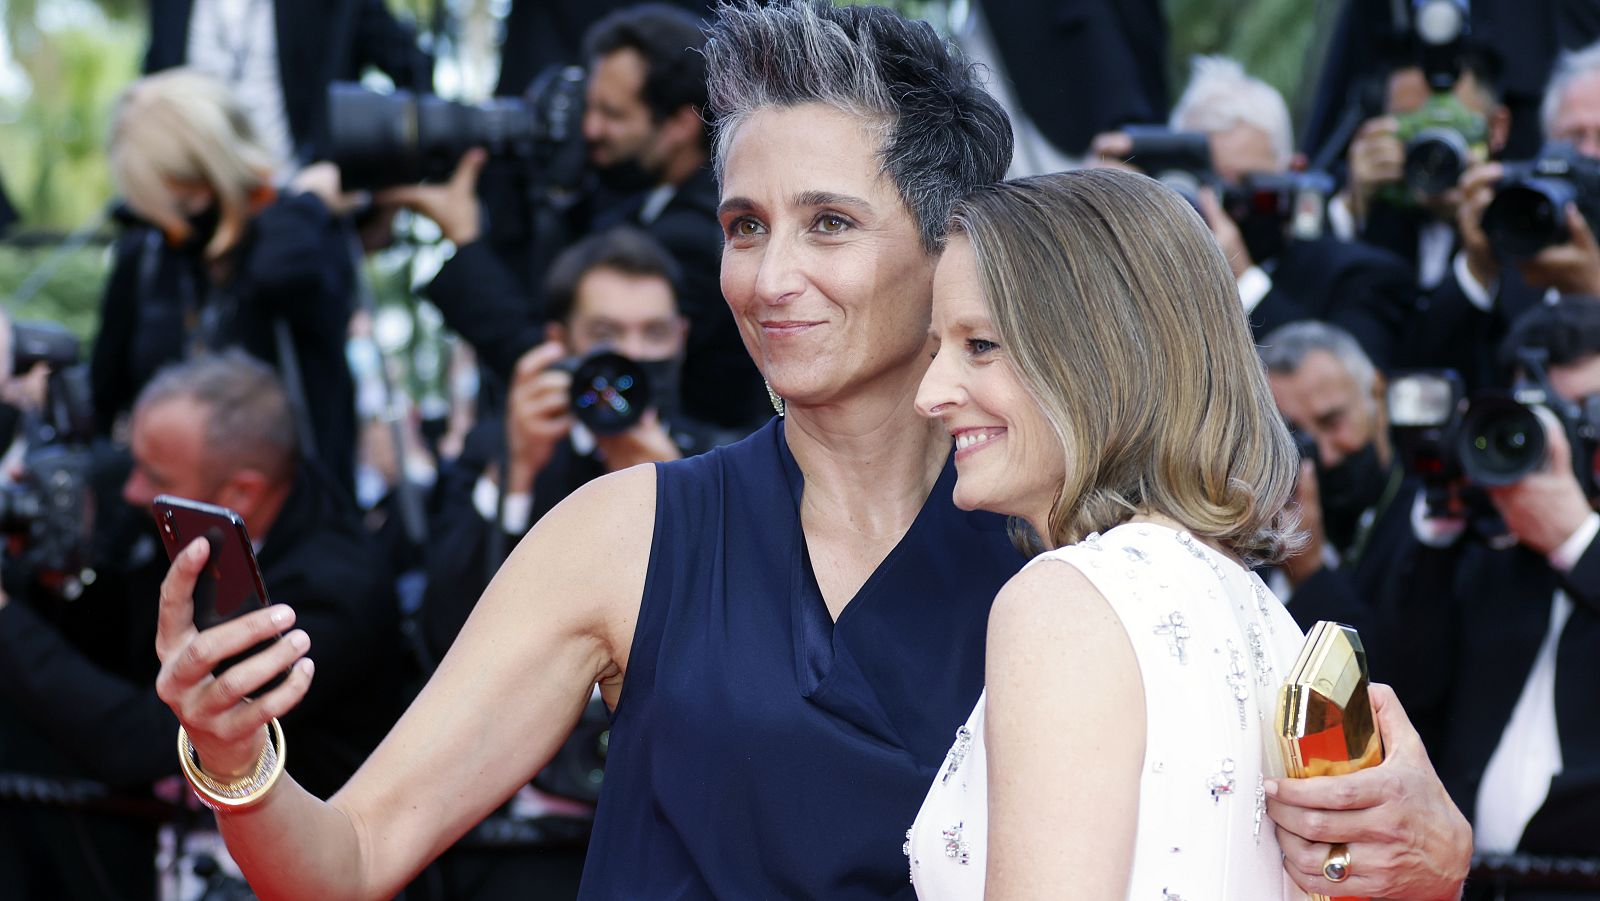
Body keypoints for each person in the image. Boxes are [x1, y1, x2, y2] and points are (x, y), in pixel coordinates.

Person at [150, 3, 1472, 899]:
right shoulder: (630, 530)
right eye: (741, 223)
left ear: (954, 242)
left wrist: (1434, 847)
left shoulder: (1085, 553)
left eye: (829, 223)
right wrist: (239, 759)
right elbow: (350, 856)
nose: (770, 275)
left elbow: (1310, 788)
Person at [907, 168, 1467, 899]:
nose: (930, 394)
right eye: (934, 350)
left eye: (980, 344)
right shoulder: (1263, 613)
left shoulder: (1064, 603)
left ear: (1103, 355)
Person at [0, 350, 405, 897]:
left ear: (241, 492)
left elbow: (148, 738)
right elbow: (116, 633)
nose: (131, 491)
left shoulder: (333, 593)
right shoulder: (191, 518)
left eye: (155, 476)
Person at [392, 3, 769, 431]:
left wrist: (464, 241)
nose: (589, 129)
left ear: (680, 125)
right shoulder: (648, 205)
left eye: (612, 114)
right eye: (589, 108)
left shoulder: (697, 238)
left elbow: (586, 383)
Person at [1378, 298, 1600, 897]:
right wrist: (1438, 534)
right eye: (1547, 414)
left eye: (1591, 411)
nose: (1572, 437)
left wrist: (1579, 541)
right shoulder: (1492, 549)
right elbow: (1401, 696)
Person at [91, 68, 360, 495]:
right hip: (169, 519)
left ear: (216, 176)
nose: (172, 225)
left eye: (184, 200)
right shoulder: (147, 257)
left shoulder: (293, 239)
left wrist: (304, 203)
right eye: (156, 208)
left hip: (289, 528)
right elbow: (102, 398)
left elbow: (281, 274)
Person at [1091, 56, 1415, 369]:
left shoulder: (1357, 277)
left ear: (1292, 172)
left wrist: (1243, 283)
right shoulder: (1144, 276)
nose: (1217, 207)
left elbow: (1335, 397)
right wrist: (1098, 221)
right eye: (1198, 185)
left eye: (1242, 187)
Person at [1260, 320, 1421, 646]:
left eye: (1332, 421)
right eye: (1295, 435)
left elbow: (1394, 681)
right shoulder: (1259, 532)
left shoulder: (1429, 523)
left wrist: (1308, 570)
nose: (1327, 455)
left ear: (1376, 393)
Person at [143, 0, 431, 165]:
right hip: (195, 216)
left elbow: (412, 70)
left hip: (304, 216)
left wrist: (370, 192)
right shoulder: (168, 7)